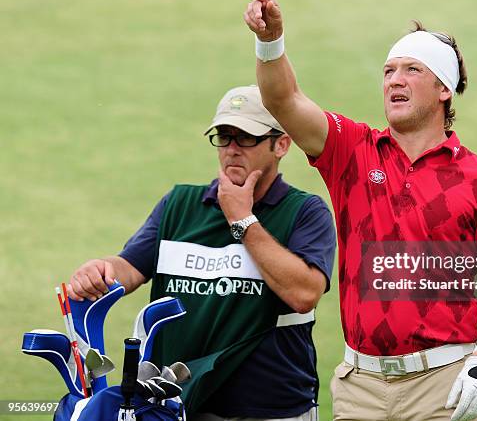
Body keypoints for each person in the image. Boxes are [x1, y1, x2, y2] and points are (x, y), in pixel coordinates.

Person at [244, 0, 477, 421]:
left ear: (444, 89)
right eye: (389, 71)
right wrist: (271, 42)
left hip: (444, 383)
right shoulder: (351, 151)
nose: (395, 79)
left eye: (412, 70)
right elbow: (284, 101)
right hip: (360, 388)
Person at [67, 85, 336, 421]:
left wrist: (242, 220)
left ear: (281, 144)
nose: (233, 149)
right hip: (176, 403)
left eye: (246, 137)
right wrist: (100, 270)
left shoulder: (305, 212)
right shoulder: (179, 205)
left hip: (270, 410)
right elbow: (129, 268)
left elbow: (303, 293)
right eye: (224, 137)